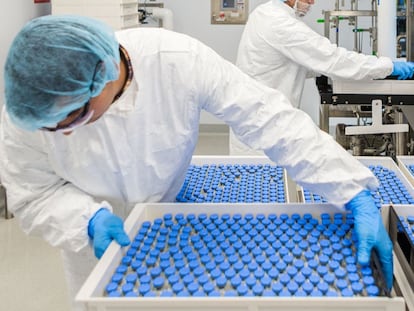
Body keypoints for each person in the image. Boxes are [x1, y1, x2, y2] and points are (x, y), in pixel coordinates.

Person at [1, 15, 392, 310]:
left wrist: (351, 189)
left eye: (77, 117)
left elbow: (269, 119)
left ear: (103, 77)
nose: (65, 132)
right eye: (54, 127)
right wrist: (85, 220)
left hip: (171, 221)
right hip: (92, 246)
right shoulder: (29, 107)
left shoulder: (176, 61)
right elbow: (32, 192)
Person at [230, 0, 414, 155]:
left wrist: (349, 67)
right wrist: (388, 66)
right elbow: (332, 59)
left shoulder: (265, 13)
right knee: (264, 187)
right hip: (263, 130)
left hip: (257, 121)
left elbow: (296, 63)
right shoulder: (279, 23)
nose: (312, 1)